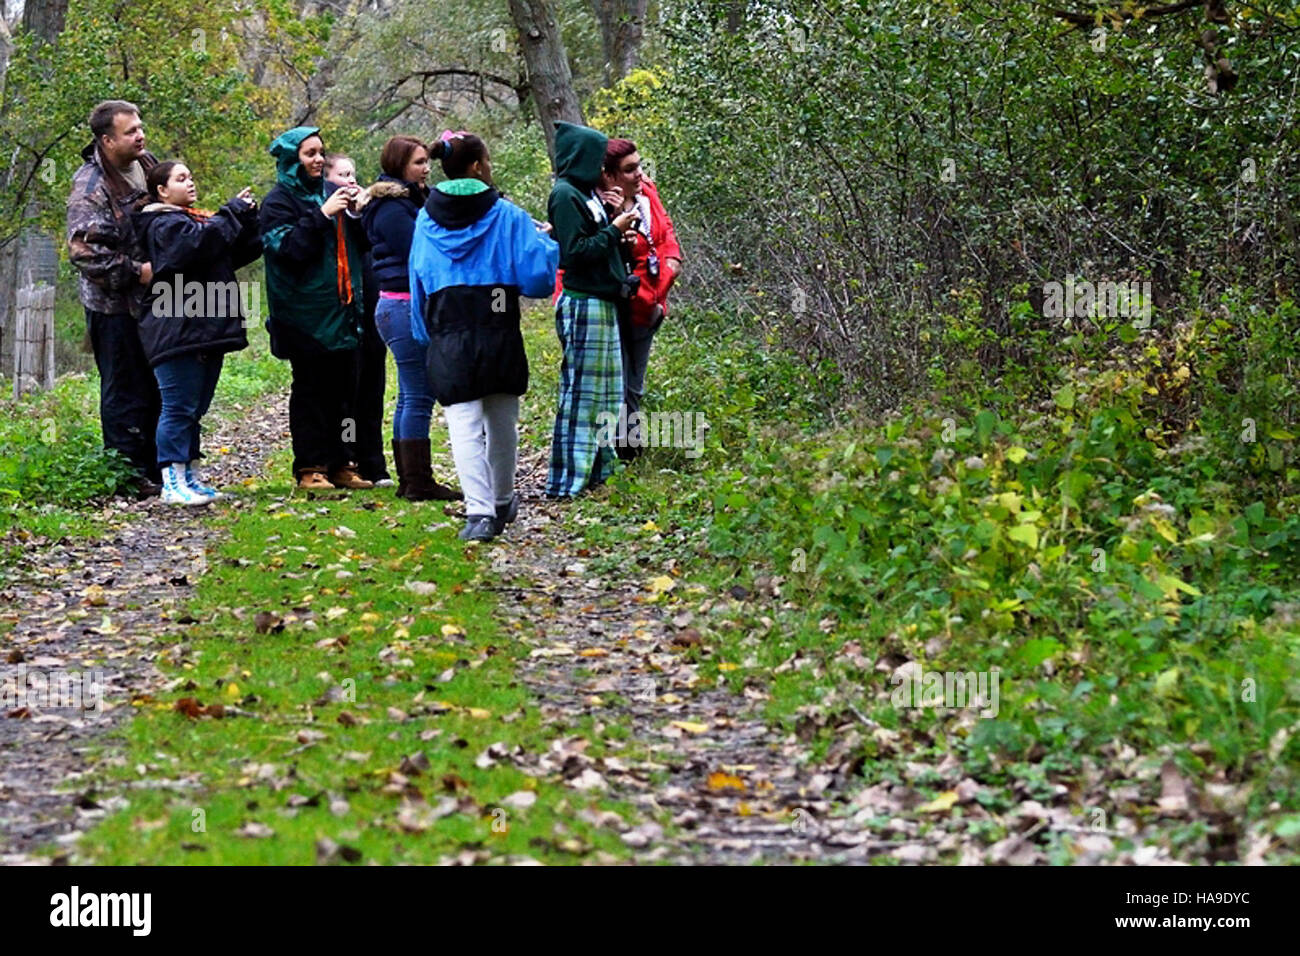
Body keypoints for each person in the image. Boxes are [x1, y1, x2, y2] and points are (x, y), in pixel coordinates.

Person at [408, 131, 558, 541]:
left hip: (447, 325)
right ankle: (501, 500)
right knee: (502, 418)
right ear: (477, 166)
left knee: (462, 421)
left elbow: (417, 276)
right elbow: (537, 280)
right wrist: (546, 245)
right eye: (486, 161)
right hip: (496, 320)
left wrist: (425, 333)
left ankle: (478, 515)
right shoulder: (508, 215)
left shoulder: (425, 218)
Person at [134, 161, 262, 504]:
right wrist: (229, 212)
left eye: (191, 176)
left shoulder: (194, 220)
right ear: (161, 190)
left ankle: (190, 476)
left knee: (195, 409)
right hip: (175, 330)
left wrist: (246, 221)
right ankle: (171, 482)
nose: (190, 183)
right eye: (181, 178)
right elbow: (192, 248)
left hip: (203, 329)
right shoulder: (161, 223)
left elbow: (228, 251)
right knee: (178, 407)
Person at [259, 126, 372, 491]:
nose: (318, 159)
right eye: (310, 153)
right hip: (304, 317)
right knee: (311, 394)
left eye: (321, 152)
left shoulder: (332, 192)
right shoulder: (278, 201)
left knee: (346, 396)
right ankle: (311, 466)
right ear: (293, 159)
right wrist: (321, 215)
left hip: (345, 312)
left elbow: (364, 246)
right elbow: (288, 251)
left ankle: (344, 461)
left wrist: (356, 214)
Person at [66, 100, 162, 497]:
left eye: (140, 127)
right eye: (129, 132)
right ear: (107, 140)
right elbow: (84, 253)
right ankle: (126, 474)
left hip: (155, 302)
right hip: (113, 306)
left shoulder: (146, 165)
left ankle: (159, 467)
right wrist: (136, 272)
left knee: (157, 384)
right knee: (124, 389)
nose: (139, 135)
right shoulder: (90, 187)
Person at [360, 136, 461, 501]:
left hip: (401, 305)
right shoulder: (391, 208)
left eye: (426, 161)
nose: (425, 168)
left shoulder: (410, 201)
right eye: (418, 162)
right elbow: (420, 250)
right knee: (419, 394)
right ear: (400, 165)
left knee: (411, 393)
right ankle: (417, 480)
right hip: (402, 306)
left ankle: (411, 478)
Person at [544, 122, 641, 498]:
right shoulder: (565, 194)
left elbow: (598, 245)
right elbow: (575, 253)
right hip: (584, 305)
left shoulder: (588, 194)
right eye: (598, 159)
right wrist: (614, 230)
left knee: (607, 393)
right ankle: (569, 478)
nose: (604, 168)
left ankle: (602, 469)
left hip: (603, 303)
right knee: (582, 394)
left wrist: (619, 234)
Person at [599, 139, 683, 459]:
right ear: (608, 175)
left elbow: (666, 231)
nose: (639, 174)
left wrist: (672, 262)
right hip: (620, 304)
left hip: (652, 302)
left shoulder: (648, 191)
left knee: (635, 382)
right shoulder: (602, 206)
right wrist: (616, 215)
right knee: (618, 382)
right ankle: (620, 455)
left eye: (639, 165)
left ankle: (630, 453)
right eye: (629, 169)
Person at [323, 154, 393, 487]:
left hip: (372, 318)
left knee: (372, 392)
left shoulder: (364, 214)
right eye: (342, 174)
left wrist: (362, 210)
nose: (351, 181)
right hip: (344, 321)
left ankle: (374, 462)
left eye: (353, 174)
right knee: (345, 397)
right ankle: (345, 458)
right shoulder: (326, 215)